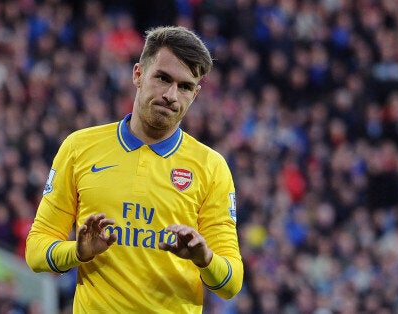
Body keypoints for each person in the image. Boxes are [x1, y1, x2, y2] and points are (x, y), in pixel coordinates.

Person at [25, 25, 243, 312]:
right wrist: (76, 252)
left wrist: (205, 260)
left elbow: (231, 283)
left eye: (185, 86)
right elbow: (36, 249)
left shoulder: (211, 167)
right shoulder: (79, 147)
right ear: (138, 74)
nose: (171, 95)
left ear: (196, 93)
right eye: (162, 78)